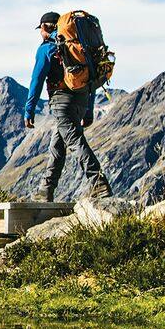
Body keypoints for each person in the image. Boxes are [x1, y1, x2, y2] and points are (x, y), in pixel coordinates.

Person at [24, 11, 113, 201]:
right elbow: (89, 77)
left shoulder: (47, 49)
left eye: (41, 28)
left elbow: (36, 81)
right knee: (57, 146)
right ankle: (45, 190)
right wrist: (88, 110)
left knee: (74, 141)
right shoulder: (79, 47)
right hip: (80, 99)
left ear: (46, 27)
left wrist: (29, 110)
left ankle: (98, 183)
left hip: (61, 101)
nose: (40, 32)